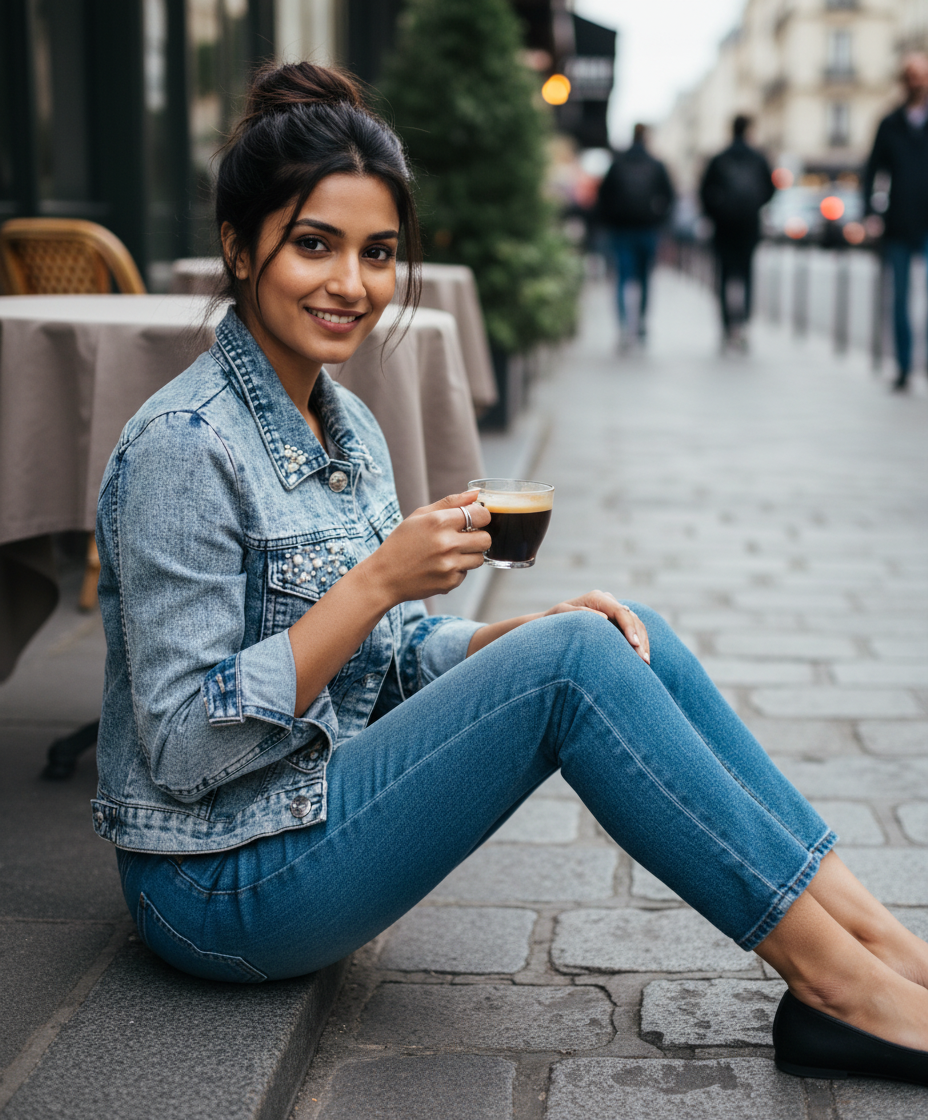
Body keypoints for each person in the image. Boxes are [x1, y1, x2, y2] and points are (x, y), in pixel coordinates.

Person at [92, 62, 928, 1087]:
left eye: (378, 252)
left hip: (309, 807)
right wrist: (375, 584)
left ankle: (889, 952)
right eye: (314, 244)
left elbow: (382, 669)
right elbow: (179, 747)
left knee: (625, 633)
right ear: (238, 246)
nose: (350, 284)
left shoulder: (343, 421)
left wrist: (503, 639)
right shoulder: (185, 445)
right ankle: (843, 992)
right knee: (575, 659)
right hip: (218, 879)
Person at [863, 52, 928, 391]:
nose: (917, 82)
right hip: (900, 222)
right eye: (911, 76)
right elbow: (872, 171)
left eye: (921, 76)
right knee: (899, 299)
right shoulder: (889, 123)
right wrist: (871, 213)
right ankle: (904, 367)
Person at [700, 115, 775, 350]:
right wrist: (753, 208)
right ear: (749, 130)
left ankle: (725, 327)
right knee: (746, 275)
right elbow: (770, 190)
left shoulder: (719, 158)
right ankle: (743, 325)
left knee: (723, 276)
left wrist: (716, 214)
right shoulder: (758, 158)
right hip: (748, 226)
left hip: (724, 226)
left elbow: (703, 191)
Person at [596, 124, 674, 349]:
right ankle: (640, 324)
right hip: (648, 229)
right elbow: (669, 197)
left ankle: (622, 327)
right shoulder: (656, 165)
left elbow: (603, 198)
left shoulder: (618, 164)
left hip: (621, 230)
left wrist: (611, 221)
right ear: (646, 138)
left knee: (622, 277)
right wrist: (659, 220)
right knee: (645, 279)